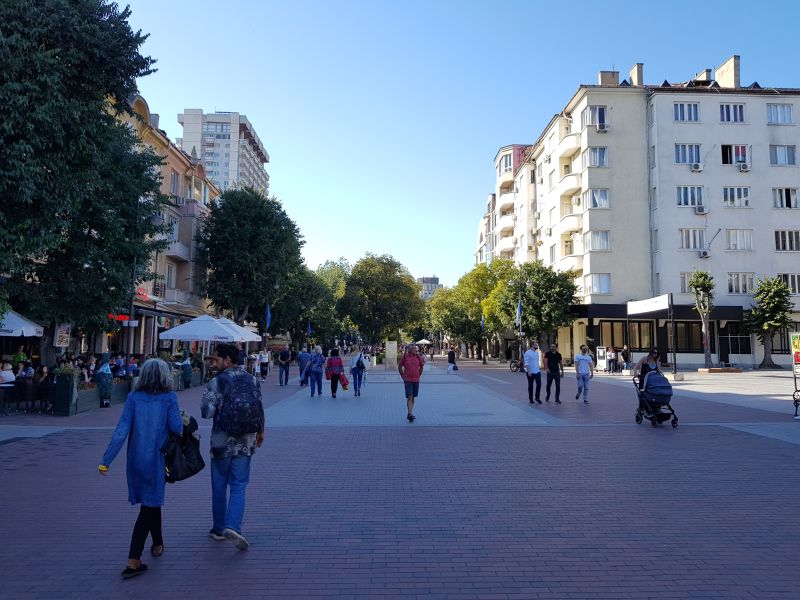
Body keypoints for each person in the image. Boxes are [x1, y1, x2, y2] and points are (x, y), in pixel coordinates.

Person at [99, 359, 183, 579]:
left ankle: (158, 542)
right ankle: (133, 560)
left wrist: (106, 460)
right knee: (148, 506)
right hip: (156, 459)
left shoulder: (133, 398)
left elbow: (121, 429)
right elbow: (176, 427)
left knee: (151, 501)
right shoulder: (169, 398)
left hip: (135, 459)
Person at [201, 343, 265, 551]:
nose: (214, 362)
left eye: (216, 359)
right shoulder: (252, 379)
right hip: (246, 442)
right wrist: (261, 431)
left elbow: (206, 412)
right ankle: (233, 526)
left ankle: (219, 529)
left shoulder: (217, 382)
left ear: (228, 360)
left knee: (219, 486)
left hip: (221, 442)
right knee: (238, 485)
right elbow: (259, 407)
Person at [398, 344, 424, 422]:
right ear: (409, 350)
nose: (415, 350)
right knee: (409, 396)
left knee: (413, 397)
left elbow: (422, 366)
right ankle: (409, 413)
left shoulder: (419, 357)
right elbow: (399, 366)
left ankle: (410, 412)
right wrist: (403, 377)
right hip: (408, 380)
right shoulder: (405, 357)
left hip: (416, 380)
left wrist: (419, 375)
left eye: (415, 349)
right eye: (413, 349)